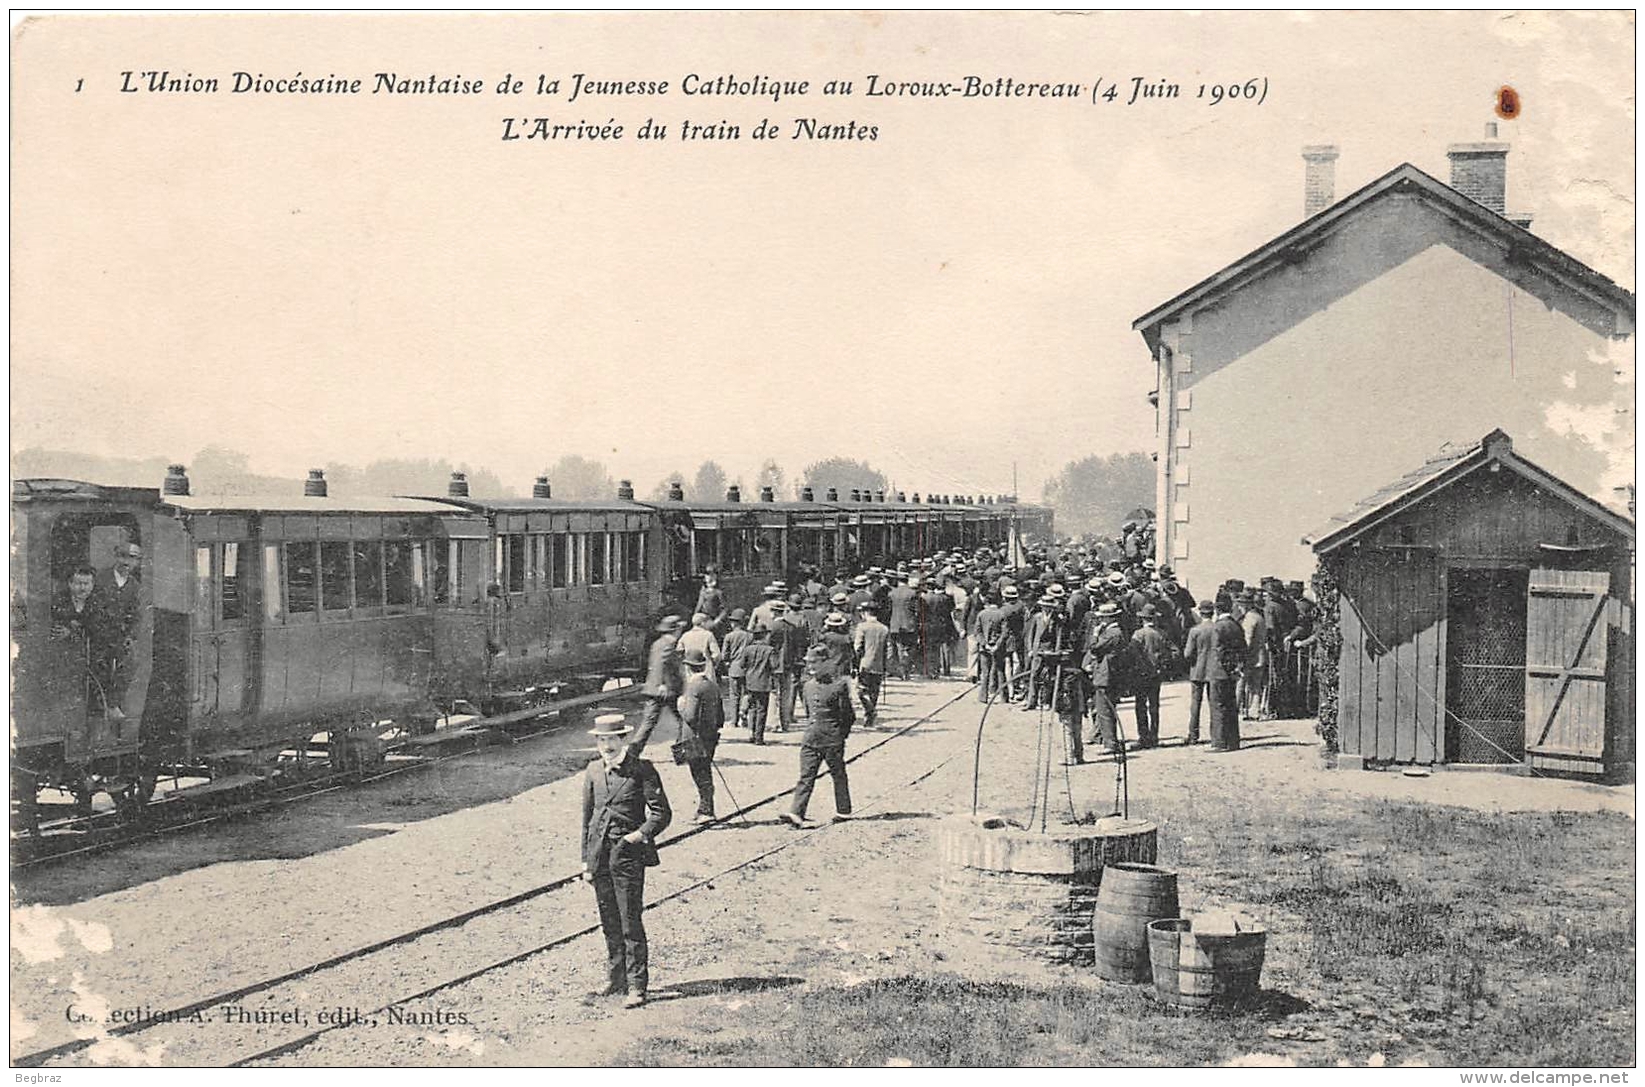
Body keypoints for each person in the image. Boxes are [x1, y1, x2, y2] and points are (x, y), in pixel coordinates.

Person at [581, 713, 672, 1009]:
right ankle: (616, 978)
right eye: (601, 740)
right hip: (599, 857)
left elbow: (661, 814)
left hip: (628, 857)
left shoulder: (641, 770)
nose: (606, 745)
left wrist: (639, 835)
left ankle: (637, 985)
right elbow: (587, 820)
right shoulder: (593, 770)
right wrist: (585, 862)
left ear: (623, 739)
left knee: (630, 920)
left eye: (612, 739)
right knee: (609, 920)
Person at [784, 646, 855, 829]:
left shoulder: (838, 686)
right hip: (811, 738)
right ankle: (796, 813)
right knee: (806, 776)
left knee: (838, 774)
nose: (811, 667)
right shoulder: (807, 685)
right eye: (808, 663)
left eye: (815, 663)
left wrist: (840, 735)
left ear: (826, 662)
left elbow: (847, 715)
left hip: (832, 739)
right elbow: (809, 713)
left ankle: (844, 810)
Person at [91, 540, 143, 715]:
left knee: (131, 661)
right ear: (115, 556)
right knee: (98, 666)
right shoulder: (99, 578)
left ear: (138, 562)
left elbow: (136, 615)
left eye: (133, 558)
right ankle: (99, 706)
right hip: (96, 634)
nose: (127, 562)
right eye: (123, 556)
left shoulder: (134, 586)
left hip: (118, 637)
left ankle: (112, 704)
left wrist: (130, 636)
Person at [676, 645, 724, 824]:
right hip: (710, 736)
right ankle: (705, 808)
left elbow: (689, 716)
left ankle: (706, 810)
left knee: (699, 773)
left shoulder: (693, 686)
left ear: (687, 667)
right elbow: (721, 717)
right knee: (705, 771)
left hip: (694, 738)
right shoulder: (712, 685)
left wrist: (680, 706)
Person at [627, 615, 685, 761]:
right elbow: (663, 664)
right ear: (675, 630)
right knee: (685, 721)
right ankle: (682, 754)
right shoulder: (670, 643)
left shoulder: (657, 643)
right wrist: (664, 684)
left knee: (648, 723)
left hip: (653, 689)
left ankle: (631, 755)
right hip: (667, 690)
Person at [1083, 601, 1128, 755]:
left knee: (1104, 710)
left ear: (1109, 618)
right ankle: (1107, 739)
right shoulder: (1114, 632)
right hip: (1108, 673)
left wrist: (1095, 635)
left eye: (1103, 618)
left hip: (1106, 675)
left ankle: (1110, 743)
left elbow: (1094, 647)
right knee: (1106, 709)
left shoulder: (1112, 633)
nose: (1101, 620)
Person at [1208, 594, 1248, 752]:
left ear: (1217, 609)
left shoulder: (1218, 626)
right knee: (1231, 706)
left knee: (1217, 706)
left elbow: (1219, 650)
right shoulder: (1236, 625)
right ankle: (1233, 741)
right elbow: (1243, 648)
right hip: (1232, 673)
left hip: (1219, 672)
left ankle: (1219, 742)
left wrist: (1227, 666)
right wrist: (1237, 667)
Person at [1130, 604, 1173, 748]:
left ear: (1142, 619)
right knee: (1154, 705)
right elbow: (1173, 651)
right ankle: (1154, 736)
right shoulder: (1162, 633)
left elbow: (1133, 654)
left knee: (1140, 706)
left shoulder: (1138, 634)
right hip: (1157, 673)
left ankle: (1144, 737)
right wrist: (1163, 664)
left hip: (1141, 674)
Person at [1181, 599, 1217, 745]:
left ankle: (1193, 734)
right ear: (1213, 612)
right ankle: (1215, 735)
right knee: (1214, 703)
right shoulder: (1217, 628)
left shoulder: (1195, 630)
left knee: (1195, 703)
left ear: (1200, 613)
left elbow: (1188, 653)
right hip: (1213, 670)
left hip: (1197, 670)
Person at [852, 602, 890, 727]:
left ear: (865, 613)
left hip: (865, 664)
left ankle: (870, 712)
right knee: (874, 692)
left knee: (861, 690)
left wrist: (855, 663)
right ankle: (869, 717)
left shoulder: (862, 627)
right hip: (879, 665)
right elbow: (888, 649)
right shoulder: (884, 628)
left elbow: (857, 647)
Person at [739, 629, 778, 745]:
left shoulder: (747, 649)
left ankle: (751, 733)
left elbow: (742, 664)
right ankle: (759, 737)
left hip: (750, 681)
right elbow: (774, 665)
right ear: (764, 636)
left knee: (752, 708)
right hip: (763, 682)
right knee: (762, 709)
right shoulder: (769, 650)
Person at [1237, 591, 1269, 721]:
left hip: (1250, 657)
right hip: (1260, 656)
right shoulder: (1260, 617)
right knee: (1256, 686)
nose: (1239, 608)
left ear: (1246, 605)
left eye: (1240, 605)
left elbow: (1247, 639)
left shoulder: (1249, 619)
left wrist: (1241, 656)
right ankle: (1254, 711)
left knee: (1241, 684)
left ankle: (1237, 710)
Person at [721, 608, 752, 729]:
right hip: (747, 668)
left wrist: (728, 663)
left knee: (734, 694)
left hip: (734, 667)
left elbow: (724, 655)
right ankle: (743, 712)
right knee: (747, 693)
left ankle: (733, 721)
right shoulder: (749, 636)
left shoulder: (729, 636)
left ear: (733, 622)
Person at [887, 573, 918, 680]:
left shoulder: (891, 593)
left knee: (897, 647)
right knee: (908, 648)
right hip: (909, 624)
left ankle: (899, 670)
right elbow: (916, 610)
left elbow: (889, 610)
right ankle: (906, 670)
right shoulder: (912, 593)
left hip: (894, 624)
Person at [676, 613, 722, 682]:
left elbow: (678, 651)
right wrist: (714, 665)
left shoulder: (685, 635)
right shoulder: (708, 635)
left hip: (689, 671)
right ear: (702, 623)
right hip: (706, 669)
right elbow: (716, 654)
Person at [818, 611, 854, 678]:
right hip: (842, 665)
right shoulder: (845, 638)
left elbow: (818, 636)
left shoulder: (825, 637)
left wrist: (824, 628)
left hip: (828, 663)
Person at [694, 569, 726, 637]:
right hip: (702, 620)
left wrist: (717, 621)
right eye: (706, 576)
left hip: (712, 620)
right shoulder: (702, 592)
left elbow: (725, 609)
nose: (707, 578)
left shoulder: (718, 592)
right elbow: (698, 607)